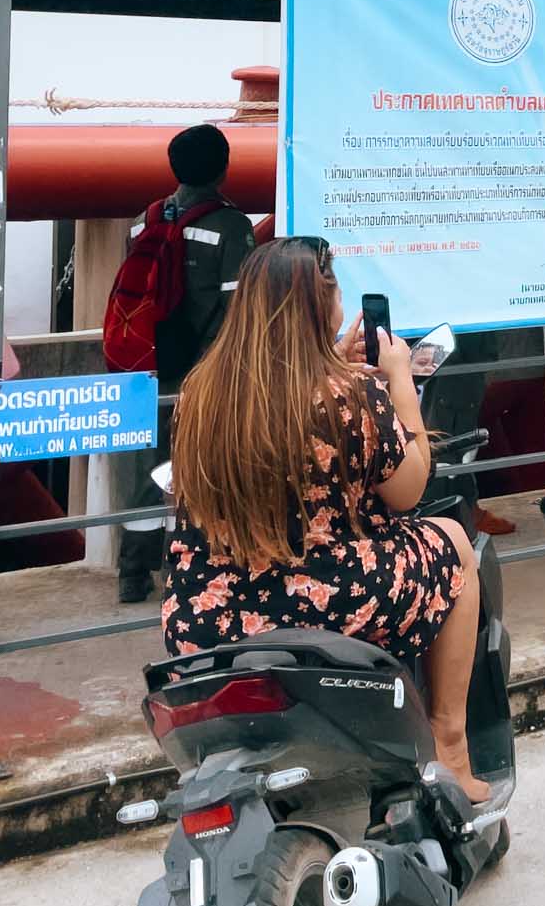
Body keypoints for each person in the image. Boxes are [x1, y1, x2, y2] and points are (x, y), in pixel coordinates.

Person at [162, 236, 490, 801]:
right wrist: (399, 381)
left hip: (206, 618)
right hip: (324, 603)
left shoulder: (202, 393)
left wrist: (333, 358)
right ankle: (452, 748)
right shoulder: (352, 392)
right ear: (325, 301)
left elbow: (282, 407)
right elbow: (409, 490)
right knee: (455, 542)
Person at [116, 124, 257, 603]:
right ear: (223, 168)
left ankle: (132, 573)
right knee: (206, 467)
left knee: (149, 468)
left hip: (147, 365)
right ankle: (194, 568)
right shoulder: (231, 226)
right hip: (203, 369)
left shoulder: (142, 220)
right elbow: (237, 308)